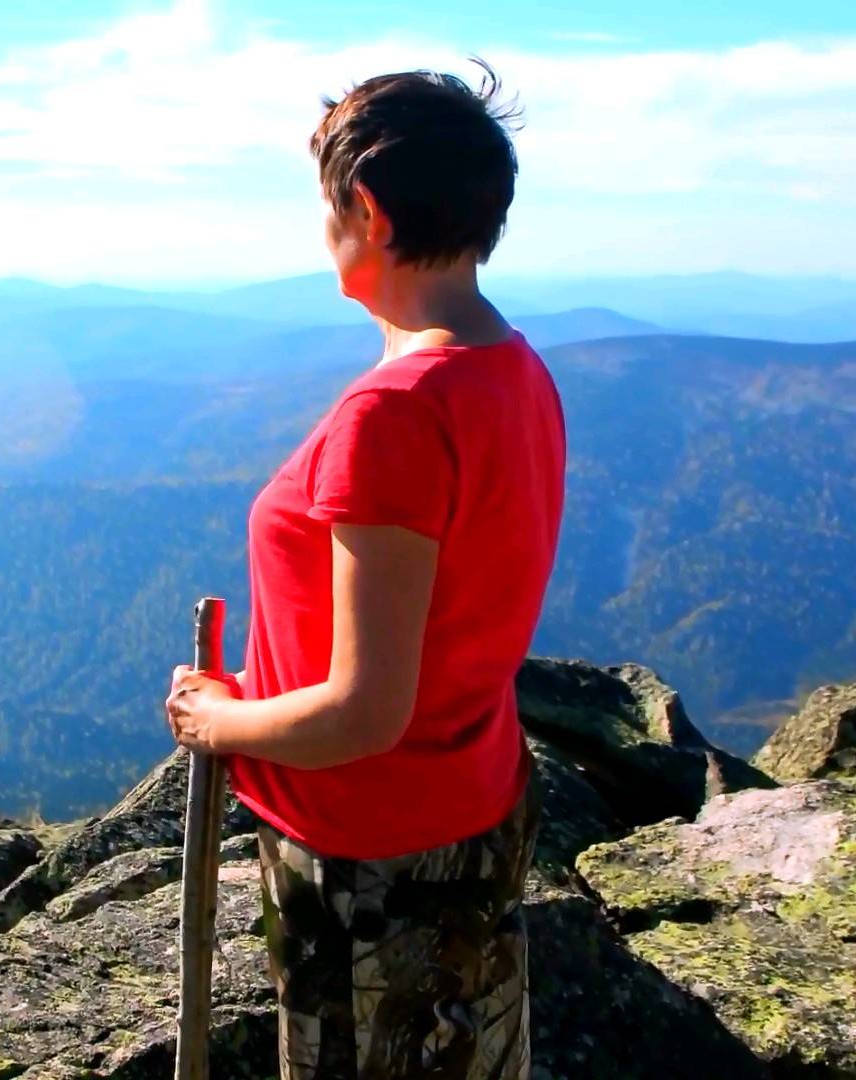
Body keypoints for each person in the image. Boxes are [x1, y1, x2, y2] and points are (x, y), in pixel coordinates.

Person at [164, 67, 565, 1079]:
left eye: (326, 206)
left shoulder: (392, 416)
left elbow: (362, 711)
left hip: (368, 853)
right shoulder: (513, 372)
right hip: (475, 808)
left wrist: (219, 719)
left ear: (369, 212)